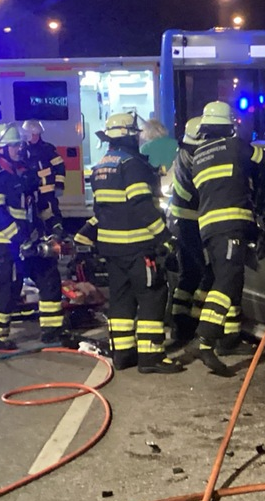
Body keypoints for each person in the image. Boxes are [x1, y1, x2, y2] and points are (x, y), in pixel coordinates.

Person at [81, 112, 182, 373]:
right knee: (152, 295)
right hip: (137, 247)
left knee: (122, 300)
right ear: (128, 135)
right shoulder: (132, 165)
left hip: (112, 249)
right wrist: (165, 238)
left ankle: (123, 354)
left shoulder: (102, 166)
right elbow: (141, 206)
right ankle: (151, 356)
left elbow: (101, 210)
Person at [185, 101, 265, 376]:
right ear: (228, 127)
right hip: (229, 226)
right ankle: (205, 338)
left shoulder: (199, 155)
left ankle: (228, 339)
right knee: (227, 280)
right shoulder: (235, 146)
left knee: (228, 278)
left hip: (210, 228)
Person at [0, 122, 69, 350]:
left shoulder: (25, 173)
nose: (20, 148)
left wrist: (55, 227)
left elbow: (40, 206)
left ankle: (51, 330)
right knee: (11, 286)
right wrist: (20, 240)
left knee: (49, 277)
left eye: (20, 143)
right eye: (14, 144)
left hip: (28, 240)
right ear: (0, 148)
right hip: (5, 243)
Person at [167, 116, 210, 347]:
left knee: (189, 275)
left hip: (183, 223)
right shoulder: (193, 157)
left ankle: (179, 324)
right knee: (207, 274)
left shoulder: (183, 153)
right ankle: (195, 323)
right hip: (192, 224)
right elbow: (201, 191)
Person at [21, 120, 66, 235]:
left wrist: (59, 184)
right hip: (30, 191)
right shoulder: (23, 150)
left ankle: (56, 234)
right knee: (31, 218)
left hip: (47, 190)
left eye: (31, 134)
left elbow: (59, 166)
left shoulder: (47, 149)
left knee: (51, 214)